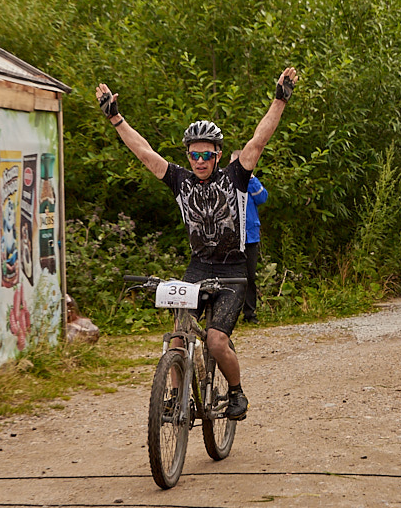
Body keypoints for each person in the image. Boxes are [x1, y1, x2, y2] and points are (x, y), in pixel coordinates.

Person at [95, 67, 298, 421]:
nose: (200, 161)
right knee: (177, 337)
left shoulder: (236, 177)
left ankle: (236, 392)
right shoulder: (180, 181)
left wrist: (279, 100)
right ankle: (177, 396)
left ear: (218, 155)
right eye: (194, 155)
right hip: (199, 266)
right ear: (188, 156)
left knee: (217, 341)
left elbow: (258, 140)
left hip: (233, 270)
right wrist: (116, 119)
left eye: (207, 155)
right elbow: (144, 152)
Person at [230, 150, 267, 324]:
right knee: (230, 278)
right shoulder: (226, 181)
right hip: (230, 238)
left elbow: (263, 198)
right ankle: (229, 315)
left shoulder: (252, 182)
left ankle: (250, 314)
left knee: (249, 277)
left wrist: (251, 178)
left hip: (250, 237)